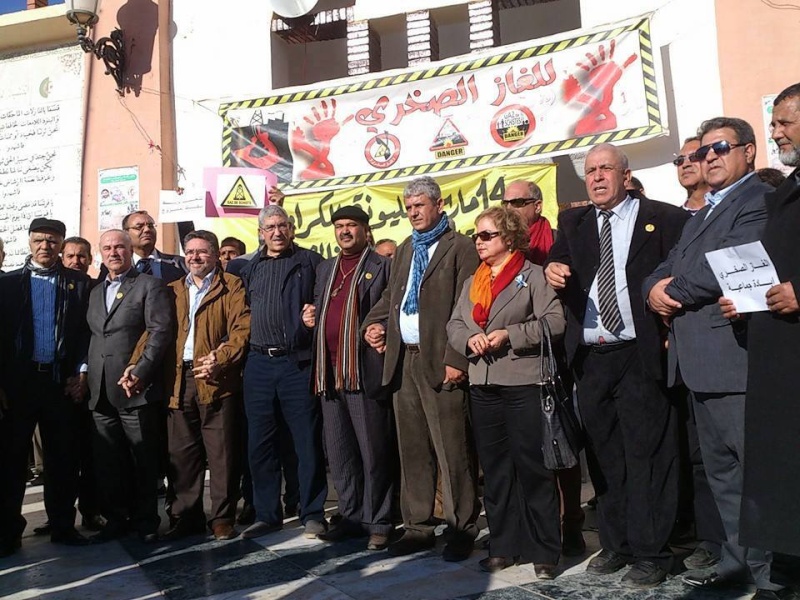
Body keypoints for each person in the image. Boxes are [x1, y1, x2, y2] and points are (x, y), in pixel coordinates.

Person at [643, 117, 779, 597]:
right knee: (722, 474)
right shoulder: (701, 213)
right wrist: (652, 288)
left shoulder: (755, 200)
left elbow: (724, 266)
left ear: (748, 150)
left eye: (720, 148)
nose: (708, 158)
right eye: (701, 153)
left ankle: (770, 576)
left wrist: (669, 291)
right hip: (698, 360)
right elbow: (666, 264)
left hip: (734, 358)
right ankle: (736, 563)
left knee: (755, 473)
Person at [545, 143, 688, 588]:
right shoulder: (574, 222)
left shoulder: (664, 218)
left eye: (606, 168)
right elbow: (562, 261)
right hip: (592, 357)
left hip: (639, 352)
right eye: (590, 171)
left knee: (647, 454)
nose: (597, 177)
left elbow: (679, 275)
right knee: (605, 456)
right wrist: (554, 266)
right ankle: (617, 543)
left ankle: (653, 551)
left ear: (626, 176)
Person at [363, 175, 481, 562]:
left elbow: (470, 307)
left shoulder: (461, 247)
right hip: (403, 361)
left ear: (439, 204)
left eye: (419, 205)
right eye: (408, 206)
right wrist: (374, 324)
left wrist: (457, 359)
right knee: (412, 448)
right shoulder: (403, 250)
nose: (413, 212)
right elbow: (389, 297)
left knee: (453, 448)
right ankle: (417, 526)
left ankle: (462, 526)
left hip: (441, 360)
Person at [447, 206, 565, 578]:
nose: (478, 242)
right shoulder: (473, 280)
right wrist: (469, 339)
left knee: (532, 465)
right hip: (483, 383)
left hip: (522, 381)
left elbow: (554, 321)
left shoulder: (532, 277)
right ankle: (503, 544)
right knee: (495, 469)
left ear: (509, 238)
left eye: (487, 235)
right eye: (476, 235)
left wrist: (510, 335)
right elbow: (454, 323)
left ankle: (544, 548)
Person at [720, 84, 800, 597]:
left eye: (785, 122)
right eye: (773, 123)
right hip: (779, 357)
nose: (775, 132)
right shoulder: (789, 189)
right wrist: (744, 299)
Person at [302, 205, 395, 551]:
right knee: (340, 453)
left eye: (351, 226)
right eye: (339, 226)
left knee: (373, 452)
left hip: (362, 372)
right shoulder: (326, 268)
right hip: (328, 373)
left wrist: (380, 328)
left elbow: (390, 311)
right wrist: (310, 316)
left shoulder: (380, 267)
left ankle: (379, 521)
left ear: (365, 230)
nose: (344, 231)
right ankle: (351, 515)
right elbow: (320, 308)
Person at [149, 231, 251, 542]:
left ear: (217, 255)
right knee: (181, 454)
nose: (194, 257)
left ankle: (221, 518)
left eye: (202, 252)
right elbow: (155, 332)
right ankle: (185, 516)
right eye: (189, 252)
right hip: (178, 380)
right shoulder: (171, 290)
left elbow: (241, 330)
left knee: (221, 454)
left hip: (217, 379)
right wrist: (136, 368)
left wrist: (221, 357)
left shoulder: (232, 287)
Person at [0, 218, 93, 557]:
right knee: (11, 463)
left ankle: (63, 526)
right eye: (39, 240)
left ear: (61, 244)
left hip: (61, 384)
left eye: (52, 241)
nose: (45, 246)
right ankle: (8, 531)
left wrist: (82, 373)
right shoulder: (7, 284)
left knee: (63, 459)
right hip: (18, 386)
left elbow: (88, 333)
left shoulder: (80, 284)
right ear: (28, 241)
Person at [502, 179, 585, 557]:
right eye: (504, 202)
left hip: (558, 354)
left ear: (536, 205)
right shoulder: (501, 250)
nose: (510, 208)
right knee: (525, 448)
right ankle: (535, 524)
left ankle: (571, 523)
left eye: (517, 202)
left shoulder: (557, 239)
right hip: (517, 362)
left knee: (559, 441)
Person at [237, 205, 328, 540]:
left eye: (282, 226)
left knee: (306, 441)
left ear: (291, 229)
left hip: (296, 363)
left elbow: (322, 304)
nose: (277, 232)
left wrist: (311, 319)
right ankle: (266, 514)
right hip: (258, 363)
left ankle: (313, 512)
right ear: (261, 232)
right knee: (260, 443)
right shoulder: (250, 268)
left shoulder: (309, 262)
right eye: (270, 227)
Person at [87, 229, 173, 544]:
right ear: (101, 253)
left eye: (120, 247)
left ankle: (146, 520)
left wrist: (142, 370)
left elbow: (159, 331)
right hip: (100, 390)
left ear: (130, 250)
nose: (114, 253)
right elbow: (95, 337)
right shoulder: (96, 292)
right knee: (108, 460)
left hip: (134, 389)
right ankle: (115, 519)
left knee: (143, 460)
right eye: (107, 248)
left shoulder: (150, 286)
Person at [114, 210, 186, 283]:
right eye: (139, 227)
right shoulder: (118, 266)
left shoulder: (179, 264)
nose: (147, 230)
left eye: (151, 226)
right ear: (126, 233)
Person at [675, 137, 710, 214]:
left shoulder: (730, 207)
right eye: (679, 160)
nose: (685, 165)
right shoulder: (672, 219)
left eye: (694, 157)